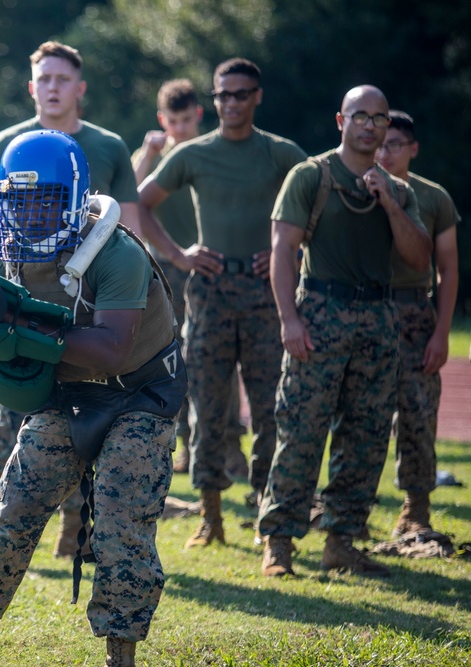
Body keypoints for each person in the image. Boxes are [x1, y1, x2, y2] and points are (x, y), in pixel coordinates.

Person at [0, 129, 185, 667]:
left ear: (73, 197)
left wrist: (24, 335)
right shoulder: (5, 257)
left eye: (45, 198)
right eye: (19, 200)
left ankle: (121, 660)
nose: (30, 213)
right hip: (68, 394)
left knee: (122, 526)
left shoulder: (116, 253)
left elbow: (113, 348)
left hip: (139, 392)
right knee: (14, 511)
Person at [0, 41, 140, 558]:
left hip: (85, 305)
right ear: (31, 86)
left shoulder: (108, 146)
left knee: (86, 415)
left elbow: (127, 230)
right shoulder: (7, 143)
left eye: (62, 79)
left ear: (79, 88)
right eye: (43, 78)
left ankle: (77, 531)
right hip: (27, 300)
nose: (52, 87)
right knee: (14, 412)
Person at [258, 86, 431, 578]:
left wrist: (390, 205)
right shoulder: (310, 176)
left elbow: (419, 260)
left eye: (379, 118)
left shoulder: (399, 189)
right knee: (302, 430)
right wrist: (289, 320)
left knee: (368, 434)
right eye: (360, 116)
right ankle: (279, 544)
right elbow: (282, 250)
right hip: (320, 310)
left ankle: (342, 542)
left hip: (378, 318)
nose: (371, 125)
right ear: (341, 120)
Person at [136, 58, 306, 549]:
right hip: (209, 293)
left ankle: (269, 519)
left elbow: (321, 202)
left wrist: (284, 249)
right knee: (208, 407)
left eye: (240, 94)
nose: (231, 103)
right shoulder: (196, 155)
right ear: (215, 100)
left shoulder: (279, 153)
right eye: (222, 95)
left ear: (257, 97)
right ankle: (211, 517)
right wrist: (177, 254)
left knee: (272, 406)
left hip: (263, 296)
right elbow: (140, 202)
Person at [131, 78, 247, 478]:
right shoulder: (155, 159)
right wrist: (148, 153)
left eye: (186, 119)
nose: (179, 129)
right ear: (162, 120)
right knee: (172, 361)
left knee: (220, 360)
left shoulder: (210, 154)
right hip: (165, 272)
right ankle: (184, 447)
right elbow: (129, 200)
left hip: (209, 267)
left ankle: (231, 448)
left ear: (198, 115)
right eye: (172, 121)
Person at [372, 110, 459, 537]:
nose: (385, 152)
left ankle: (416, 508)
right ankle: (351, 512)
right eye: (380, 143)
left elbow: (448, 269)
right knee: (356, 415)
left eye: (395, 145)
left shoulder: (433, 196)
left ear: (412, 149)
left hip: (413, 312)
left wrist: (441, 333)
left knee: (418, 412)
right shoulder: (354, 187)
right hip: (362, 308)